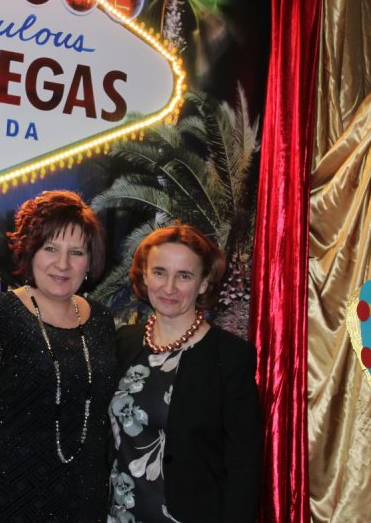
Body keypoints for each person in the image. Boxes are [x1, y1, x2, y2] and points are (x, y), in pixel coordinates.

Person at [0, 190, 117, 521]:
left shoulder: (102, 321)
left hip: (83, 504)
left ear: (90, 260)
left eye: (76, 252)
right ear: (30, 250)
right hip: (5, 502)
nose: (63, 264)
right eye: (51, 248)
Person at [108, 223, 262, 522]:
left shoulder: (230, 357)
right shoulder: (123, 342)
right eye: (159, 272)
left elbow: (243, 465)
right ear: (144, 275)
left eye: (184, 276)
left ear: (203, 283)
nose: (169, 287)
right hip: (119, 514)